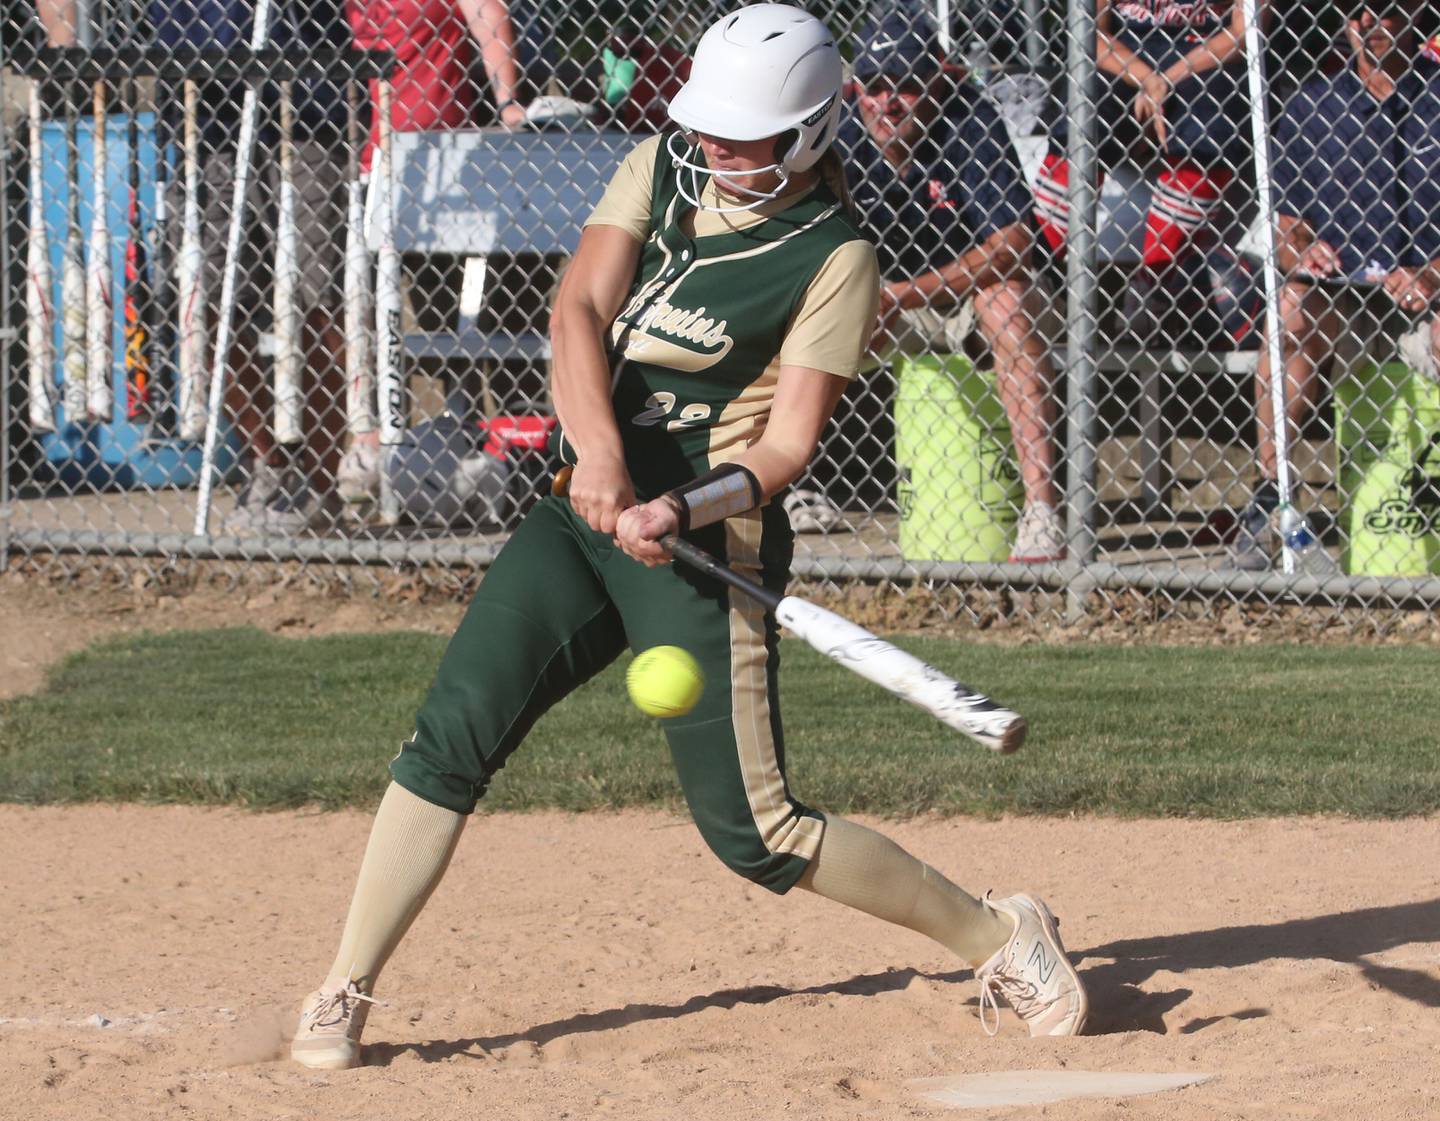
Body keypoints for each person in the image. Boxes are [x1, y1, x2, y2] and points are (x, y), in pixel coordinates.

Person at [288, 3, 1088, 1070]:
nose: (713, 142)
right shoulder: (663, 166)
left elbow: (788, 446)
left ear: (806, 136)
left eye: (741, 131)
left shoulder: (833, 256)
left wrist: (681, 504)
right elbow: (578, 305)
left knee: (759, 835)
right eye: (707, 121)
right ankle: (344, 984)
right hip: (586, 509)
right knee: (452, 733)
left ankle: (1003, 932)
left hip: (713, 546)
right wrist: (603, 456)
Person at [840, 9, 1065, 562]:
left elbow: (1013, 245)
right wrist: (853, 294)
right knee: (785, 303)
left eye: (908, 85)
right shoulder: (838, 129)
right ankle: (792, 491)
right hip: (881, 300)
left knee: (1007, 300)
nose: (888, 102)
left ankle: (1043, 513)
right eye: (875, 86)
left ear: (939, 81)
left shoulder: (968, 117)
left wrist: (897, 294)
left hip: (963, 297)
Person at [1229, 0, 1440, 570]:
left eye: (1387, 12)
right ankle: (1272, 498)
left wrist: (1431, 273)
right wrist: (1304, 248)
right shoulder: (1312, 105)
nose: (1369, 23)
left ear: (1420, 17)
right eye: (1357, 12)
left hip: (1427, 297)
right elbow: (1285, 225)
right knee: (1290, 307)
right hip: (1344, 297)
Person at [336, 0, 535, 506]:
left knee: (471, 307)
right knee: (383, 307)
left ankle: (505, 441)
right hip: (367, 159)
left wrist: (507, 101)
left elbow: (488, 18)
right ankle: (382, 435)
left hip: (444, 157)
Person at [1033, 0, 1265, 341]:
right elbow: (1091, 34)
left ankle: (1153, 284)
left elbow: (1243, 34)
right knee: (1081, 117)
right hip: (1125, 50)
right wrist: (1145, 79)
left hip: (1206, 50)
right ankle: (1039, 273)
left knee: (1211, 124)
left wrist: (1165, 81)